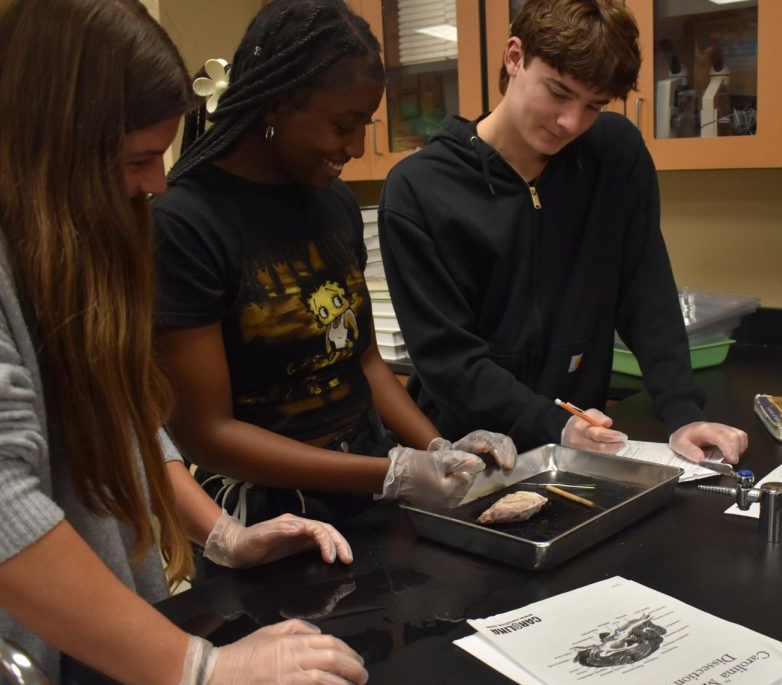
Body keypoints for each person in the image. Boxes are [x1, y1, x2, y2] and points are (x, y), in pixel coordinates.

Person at [0, 0, 367, 685]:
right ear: (48, 142)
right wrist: (200, 673)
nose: (154, 182)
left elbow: (118, 414)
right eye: (133, 160)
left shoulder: (43, 225)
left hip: (85, 668)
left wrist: (220, 534)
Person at [153, 0, 514, 530]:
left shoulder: (333, 203)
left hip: (365, 480)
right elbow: (207, 432)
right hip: (272, 513)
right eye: (344, 125)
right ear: (277, 104)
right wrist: (387, 473)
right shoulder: (185, 223)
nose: (356, 145)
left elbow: (363, 361)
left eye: (365, 123)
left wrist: (437, 447)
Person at [378, 0, 749, 464]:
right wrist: (553, 423)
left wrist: (682, 412)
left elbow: (644, 290)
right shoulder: (419, 188)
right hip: (466, 452)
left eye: (593, 105)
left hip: (573, 448)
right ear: (515, 57)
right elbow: (448, 359)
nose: (570, 122)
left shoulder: (614, 154)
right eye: (557, 92)